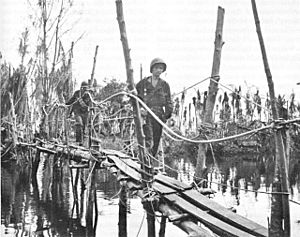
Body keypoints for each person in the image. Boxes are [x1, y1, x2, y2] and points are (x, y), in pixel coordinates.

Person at [136, 58, 173, 158]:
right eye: (156, 68)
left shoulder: (165, 85)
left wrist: (166, 115)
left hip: (159, 115)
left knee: (156, 140)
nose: (158, 70)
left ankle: (152, 160)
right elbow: (135, 99)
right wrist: (140, 109)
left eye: (161, 68)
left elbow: (169, 102)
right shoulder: (142, 84)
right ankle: (145, 162)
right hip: (146, 115)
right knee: (148, 138)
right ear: (152, 69)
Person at [66, 81, 92, 145]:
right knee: (79, 124)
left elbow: (91, 103)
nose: (85, 89)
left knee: (84, 127)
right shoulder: (77, 93)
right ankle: (79, 141)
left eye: (86, 88)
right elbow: (71, 100)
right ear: (81, 88)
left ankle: (82, 143)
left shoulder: (88, 95)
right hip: (77, 112)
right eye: (84, 88)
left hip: (85, 113)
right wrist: (65, 104)